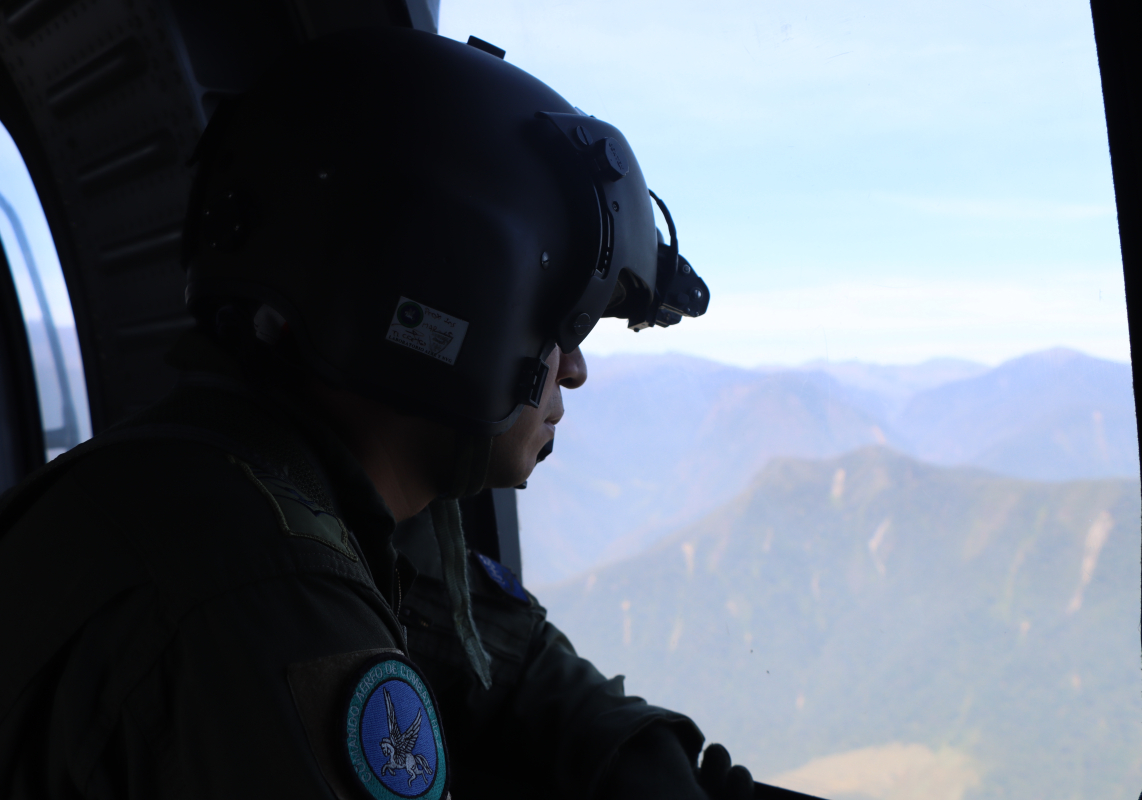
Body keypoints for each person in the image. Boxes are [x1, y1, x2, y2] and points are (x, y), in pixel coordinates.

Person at [0, 26, 753, 800]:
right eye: (563, 327)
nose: (578, 370)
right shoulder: (267, 596)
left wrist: (646, 767)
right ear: (463, 302)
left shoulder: (272, 495)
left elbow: (490, 653)